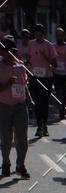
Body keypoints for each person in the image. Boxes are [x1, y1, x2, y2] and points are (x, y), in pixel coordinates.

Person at [0, 35, 31, 178]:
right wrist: (8, 84)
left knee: (22, 136)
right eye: (8, 51)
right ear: (2, 51)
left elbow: (25, 84)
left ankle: (20, 165)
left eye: (13, 51)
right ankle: (6, 163)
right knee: (6, 138)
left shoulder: (20, 66)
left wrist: (29, 99)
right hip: (4, 106)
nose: (12, 54)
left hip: (20, 105)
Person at [29, 23, 57, 137]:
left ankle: (45, 126)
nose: (38, 37)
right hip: (35, 77)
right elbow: (29, 58)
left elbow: (55, 64)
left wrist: (45, 57)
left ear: (43, 34)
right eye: (36, 35)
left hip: (46, 78)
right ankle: (39, 126)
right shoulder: (31, 44)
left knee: (44, 103)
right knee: (37, 102)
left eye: (40, 35)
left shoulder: (49, 46)